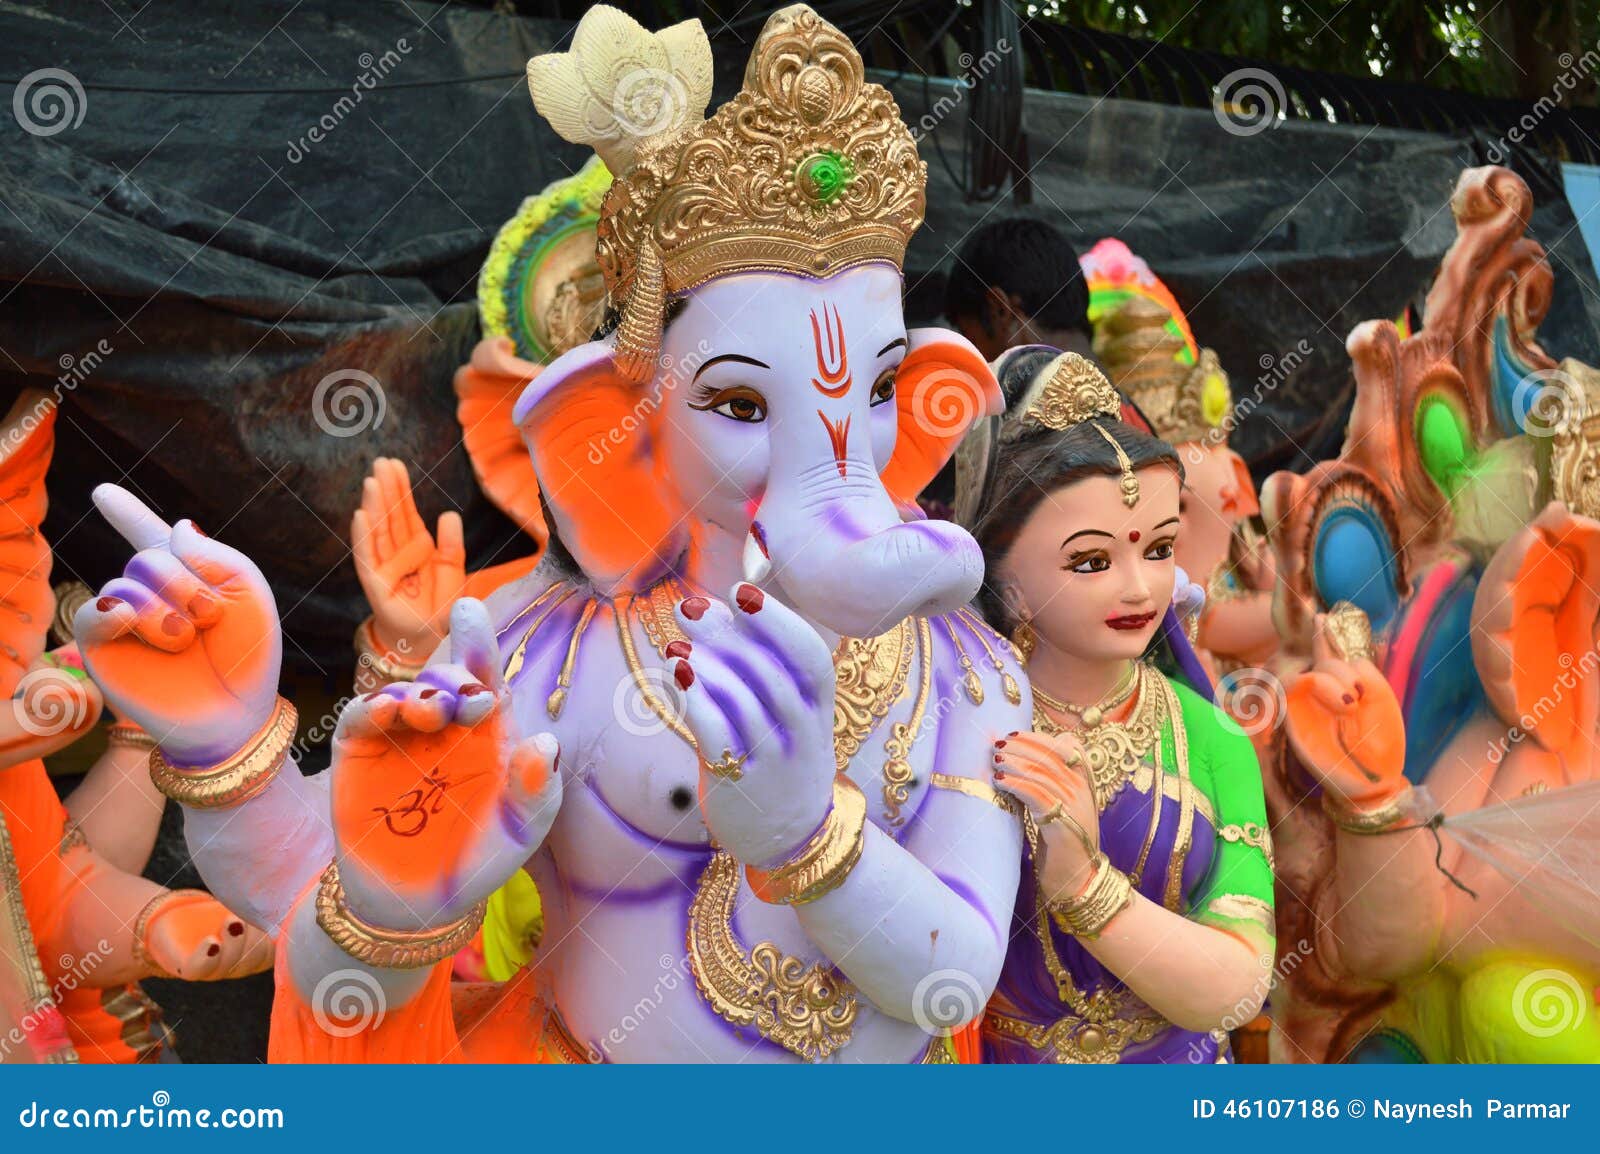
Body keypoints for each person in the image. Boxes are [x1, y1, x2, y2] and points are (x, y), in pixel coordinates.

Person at [962, 347, 1275, 1063]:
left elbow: (1240, 985)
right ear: (1004, 579)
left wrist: (1086, 888)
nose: (1140, 589)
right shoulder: (962, 728)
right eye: (1093, 561)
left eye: (1160, 549)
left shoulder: (1210, 736)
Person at [944, 218, 1092, 369]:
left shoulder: (1020, 389)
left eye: (972, 341)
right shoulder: (1109, 388)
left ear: (999, 309)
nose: (972, 361)